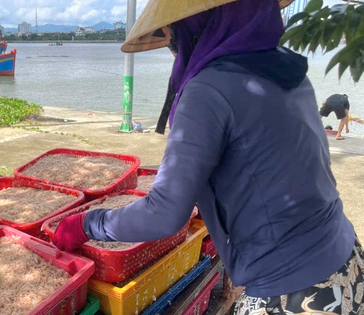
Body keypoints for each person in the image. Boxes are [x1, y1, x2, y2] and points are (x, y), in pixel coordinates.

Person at [52, 0, 363, 314]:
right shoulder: (287, 68)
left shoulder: (206, 90)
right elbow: (270, 162)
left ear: (198, 28)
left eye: (175, 35)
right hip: (346, 257)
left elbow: (165, 214)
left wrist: (87, 224)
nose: (174, 49)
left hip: (297, 292)